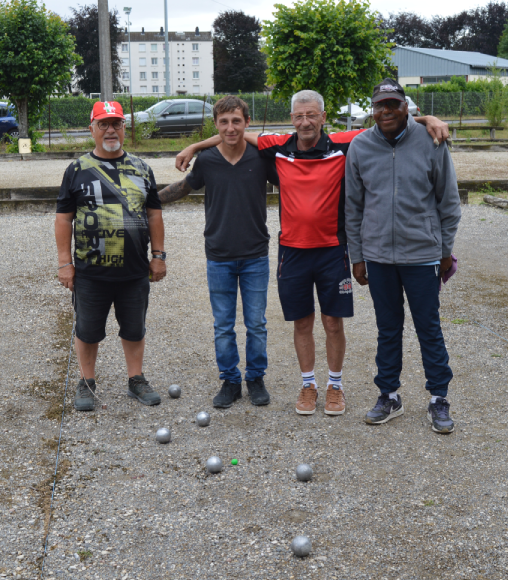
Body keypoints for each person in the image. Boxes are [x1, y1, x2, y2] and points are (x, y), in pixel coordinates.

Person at [177, 91, 450, 418]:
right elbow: (231, 132)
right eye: (299, 116)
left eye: (312, 115)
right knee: (302, 323)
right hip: (292, 252)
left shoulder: (344, 143)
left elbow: (387, 120)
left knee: (333, 323)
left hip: (333, 251)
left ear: (323, 118)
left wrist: (426, 119)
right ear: (292, 119)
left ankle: (335, 385)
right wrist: (195, 146)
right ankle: (308, 384)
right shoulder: (276, 145)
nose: (305, 122)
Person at [344, 78, 462, 433]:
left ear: (406, 106)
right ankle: (389, 395)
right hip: (378, 257)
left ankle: (439, 398)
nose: (387, 111)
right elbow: (352, 207)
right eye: (380, 105)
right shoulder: (360, 146)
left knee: (429, 328)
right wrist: (358, 255)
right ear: (373, 110)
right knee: (388, 328)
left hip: (422, 256)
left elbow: (449, 203)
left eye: (393, 104)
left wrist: (443, 250)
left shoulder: (432, 141)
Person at [158, 96, 278, 409]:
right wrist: (149, 201)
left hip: (255, 255)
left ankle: (255, 378)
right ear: (216, 125)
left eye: (236, 121)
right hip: (219, 256)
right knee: (223, 326)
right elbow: (184, 187)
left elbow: (293, 182)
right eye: (223, 122)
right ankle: (230, 380)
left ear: (247, 123)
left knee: (256, 324)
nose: (230, 127)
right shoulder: (208, 161)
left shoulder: (262, 157)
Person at [55, 100, 167, 411]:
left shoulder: (142, 169)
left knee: (134, 328)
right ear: (92, 129)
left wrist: (158, 255)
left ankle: (136, 379)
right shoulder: (76, 170)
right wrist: (65, 263)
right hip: (91, 270)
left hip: (134, 270)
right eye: (103, 123)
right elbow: (63, 219)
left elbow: (154, 215)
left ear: (124, 127)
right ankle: (87, 382)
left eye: (116, 123)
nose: (110, 129)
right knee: (88, 331)